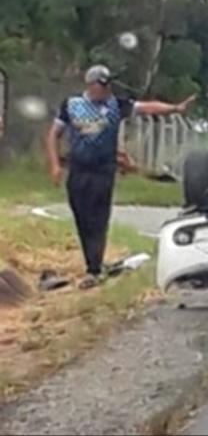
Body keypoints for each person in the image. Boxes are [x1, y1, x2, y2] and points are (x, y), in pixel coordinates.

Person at [45, 65, 195, 289]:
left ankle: (93, 267)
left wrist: (174, 108)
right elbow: (53, 135)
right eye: (102, 85)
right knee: (81, 216)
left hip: (103, 170)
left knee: (98, 218)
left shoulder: (116, 105)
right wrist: (55, 164)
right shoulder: (72, 105)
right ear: (91, 85)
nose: (107, 90)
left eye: (108, 85)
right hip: (78, 170)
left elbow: (146, 107)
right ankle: (91, 259)